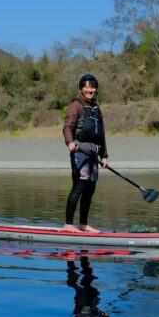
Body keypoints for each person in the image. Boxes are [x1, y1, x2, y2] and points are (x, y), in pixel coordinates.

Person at [62, 74, 108, 233]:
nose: (90, 90)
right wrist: (70, 142)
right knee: (79, 187)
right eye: (87, 86)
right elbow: (67, 126)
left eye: (92, 86)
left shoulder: (96, 108)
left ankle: (83, 224)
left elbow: (101, 134)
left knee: (90, 189)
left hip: (93, 154)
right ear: (81, 88)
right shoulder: (76, 105)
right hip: (79, 151)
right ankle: (68, 225)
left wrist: (104, 155)